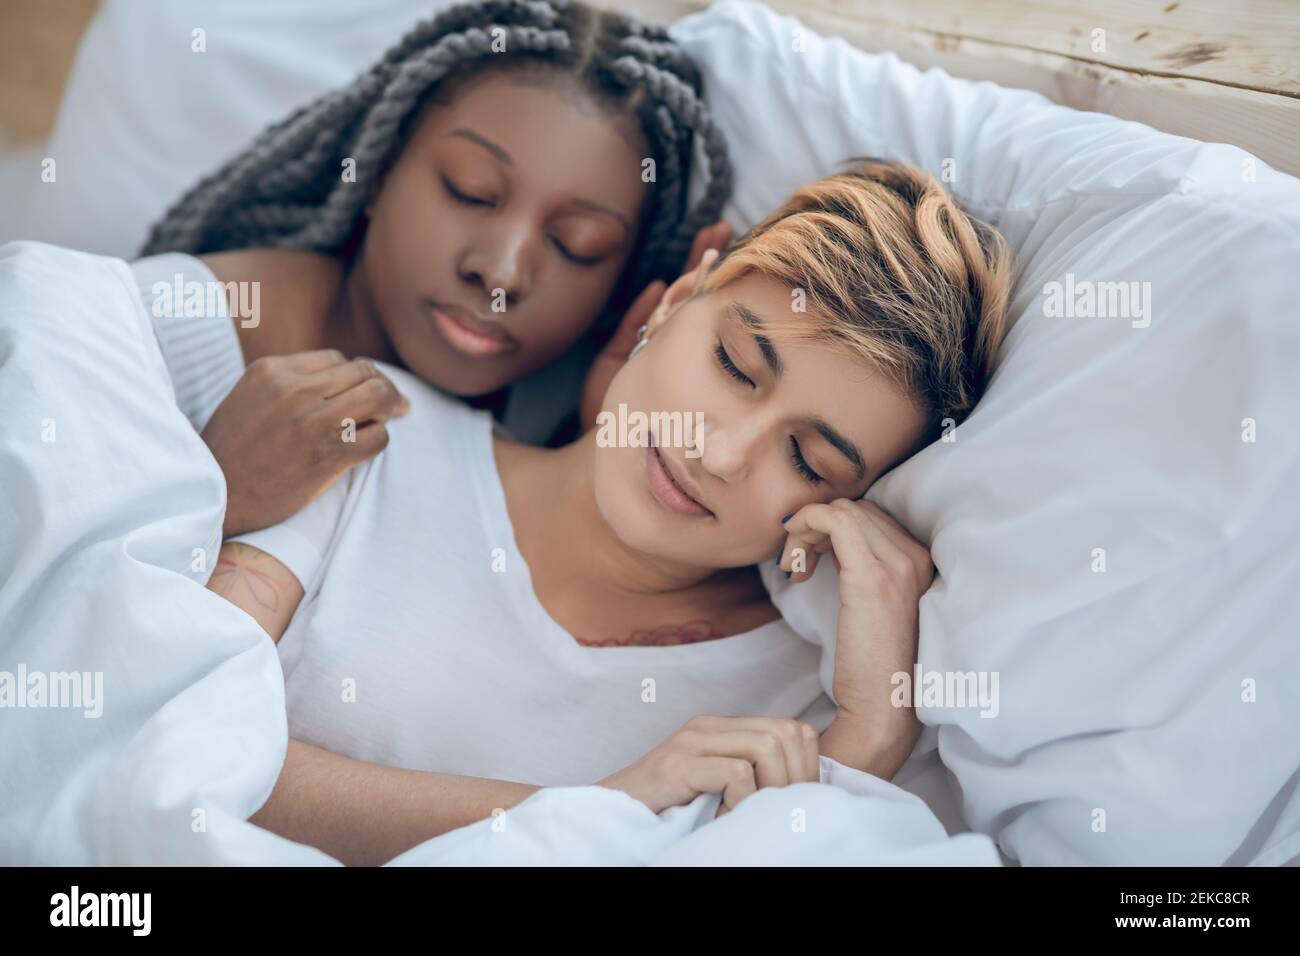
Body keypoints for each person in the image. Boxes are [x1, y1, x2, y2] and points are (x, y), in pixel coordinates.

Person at [206, 159, 1012, 866]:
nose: (720, 455)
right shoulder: (373, 436)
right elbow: (185, 746)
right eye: (733, 365)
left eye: (811, 460)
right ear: (678, 301)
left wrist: (864, 747)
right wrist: (613, 810)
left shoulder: (807, 710)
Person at [134, 0, 733, 537]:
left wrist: (594, 452)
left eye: (578, 245)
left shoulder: (551, 417)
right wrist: (221, 498)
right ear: (378, 166)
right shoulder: (155, 330)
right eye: (470, 192)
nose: (501, 275)